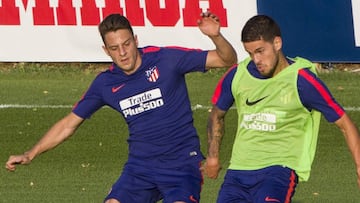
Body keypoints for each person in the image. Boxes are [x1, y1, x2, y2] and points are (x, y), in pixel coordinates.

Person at [5, 12, 237, 203]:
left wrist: (216, 36)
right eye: (114, 48)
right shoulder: (105, 84)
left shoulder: (166, 59)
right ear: (106, 50)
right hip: (140, 167)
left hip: (181, 164)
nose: (123, 52)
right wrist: (30, 153)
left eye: (126, 44)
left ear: (135, 40)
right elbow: (68, 125)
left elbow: (226, 59)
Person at [202, 15, 360, 202]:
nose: (256, 59)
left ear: (277, 43)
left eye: (260, 51)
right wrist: (213, 156)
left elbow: (344, 123)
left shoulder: (302, 81)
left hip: (278, 172)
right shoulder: (237, 75)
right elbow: (216, 114)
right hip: (237, 172)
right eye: (250, 53)